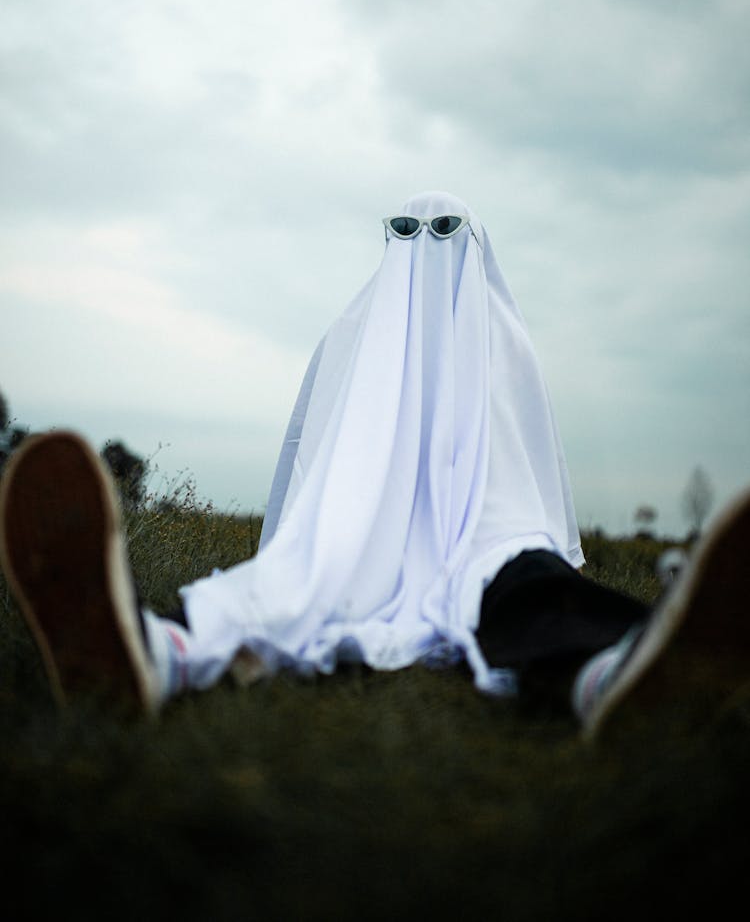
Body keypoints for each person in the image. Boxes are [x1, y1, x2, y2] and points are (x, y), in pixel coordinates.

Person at [1, 191, 749, 739]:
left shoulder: (502, 342)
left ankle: (619, 676)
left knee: (520, 584)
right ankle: (150, 653)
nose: (422, 246)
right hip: (351, 536)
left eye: (445, 229)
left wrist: (542, 539)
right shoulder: (351, 334)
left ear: (475, 242)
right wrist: (293, 535)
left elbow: (530, 454)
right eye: (404, 230)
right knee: (289, 583)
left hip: (483, 542)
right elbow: (311, 446)